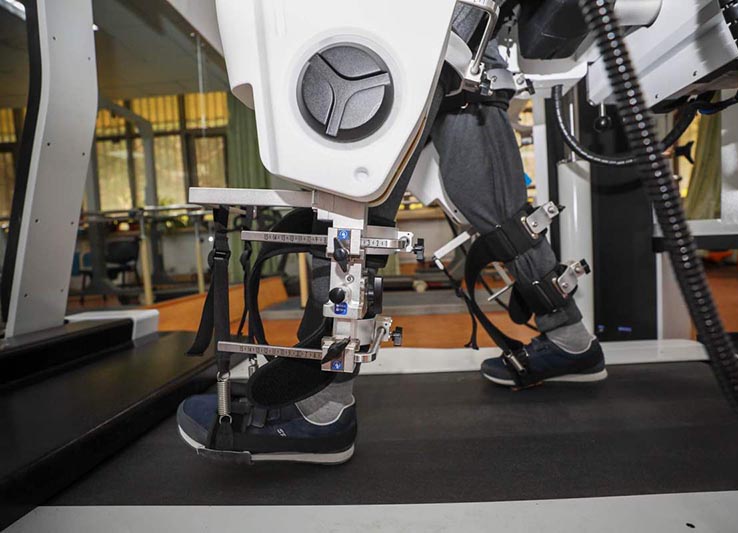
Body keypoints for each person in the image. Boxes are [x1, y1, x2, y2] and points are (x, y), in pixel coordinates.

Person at [177, 4, 605, 464]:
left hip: (433, 31)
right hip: (465, 44)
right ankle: (570, 339)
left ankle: (320, 411)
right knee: (480, 212)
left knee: (351, 198)